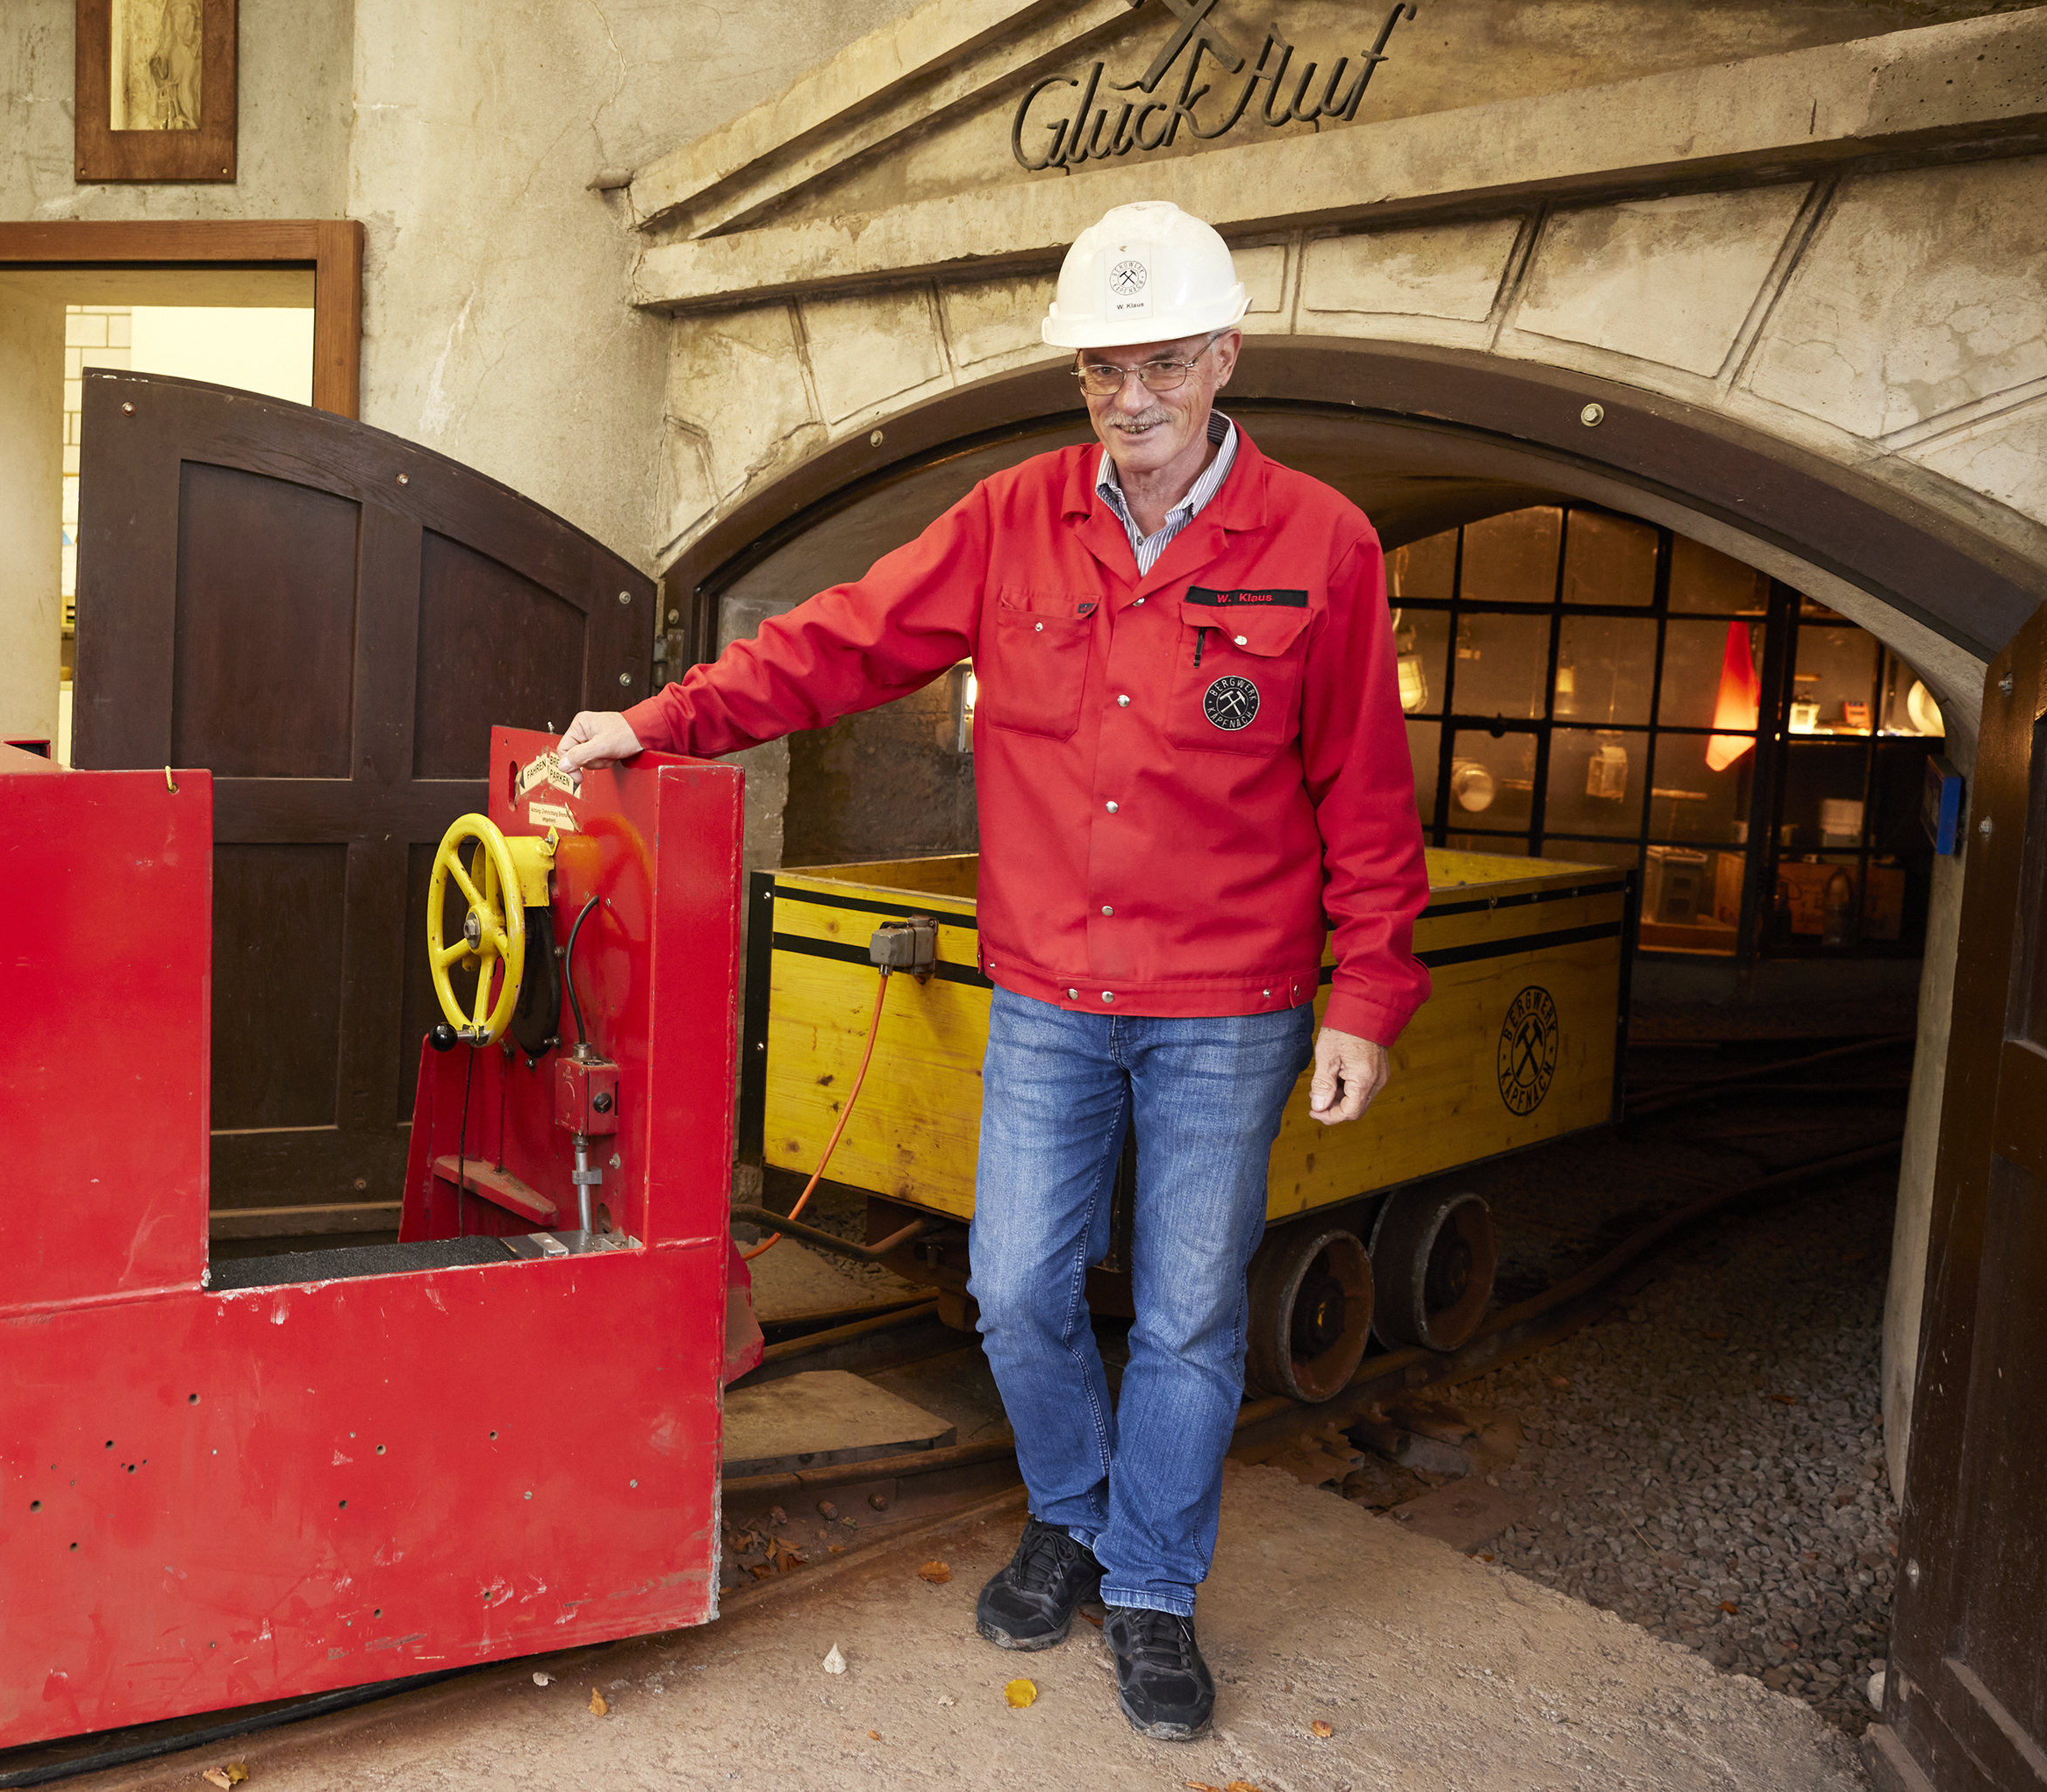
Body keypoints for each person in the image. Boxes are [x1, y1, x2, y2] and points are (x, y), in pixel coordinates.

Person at [556, 200, 1428, 1744]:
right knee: (1014, 1291)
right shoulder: (1014, 517)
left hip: (1229, 1007)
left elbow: (1365, 792)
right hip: (1048, 994)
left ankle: (1152, 1586)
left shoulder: (1325, 548)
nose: (1133, 398)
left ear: (1225, 357)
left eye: (1163, 363)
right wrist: (661, 722)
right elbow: (835, 643)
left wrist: (1368, 994)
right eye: (1104, 369)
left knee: (1183, 1319)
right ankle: (1078, 1512)